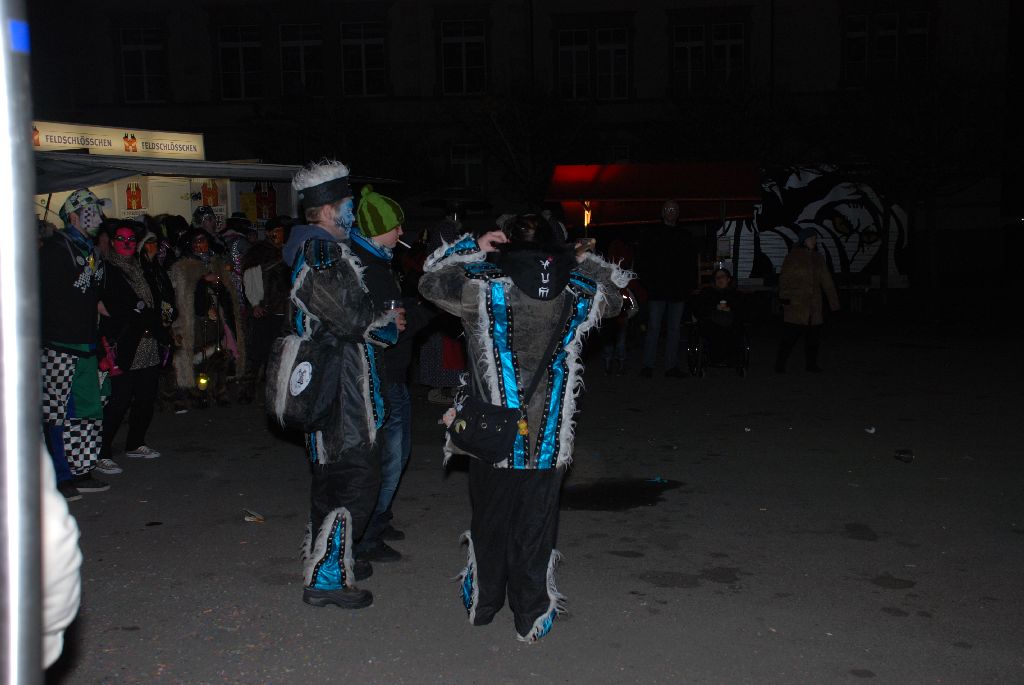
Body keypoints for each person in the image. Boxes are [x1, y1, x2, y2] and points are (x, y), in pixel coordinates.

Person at [419, 213, 630, 642]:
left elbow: (429, 281)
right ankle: (530, 616)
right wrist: (579, 259)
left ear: (508, 246)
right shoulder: (579, 290)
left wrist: (474, 245)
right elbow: (621, 294)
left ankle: (483, 603)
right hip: (545, 436)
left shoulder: (478, 286)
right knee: (534, 526)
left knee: (490, 521)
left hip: (490, 433)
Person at [278, 160, 403, 609]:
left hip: (335, 383)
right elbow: (354, 319)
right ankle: (327, 578)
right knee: (353, 480)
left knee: (333, 478)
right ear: (330, 210)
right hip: (341, 389)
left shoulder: (319, 248)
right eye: (348, 204)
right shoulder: (323, 255)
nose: (353, 211)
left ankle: (329, 558)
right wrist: (387, 323)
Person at [349, 186, 431, 563]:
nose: (402, 234)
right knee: (390, 458)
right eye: (395, 227)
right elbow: (391, 327)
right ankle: (366, 536)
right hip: (381, 377)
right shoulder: (367, 266)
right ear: (376, 228)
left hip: (391, 374)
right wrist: (430, 308)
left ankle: (378, 520)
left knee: (395, 455)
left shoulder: (377, 259)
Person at [40, 189, 111, 500]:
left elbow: (90, 297)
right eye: (91, 210)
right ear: (73, 215)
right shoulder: (55, 249)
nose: (97, 215)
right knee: (56, 413)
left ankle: (81, 470)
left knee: (86, 410)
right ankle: (59, 475)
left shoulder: (89, 249)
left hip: (85, 343)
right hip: (59, 344)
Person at [97, 219, 172, 468]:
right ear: (113, 242)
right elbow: (102, 305)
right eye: (122, 240)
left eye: (131, 240)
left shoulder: (141, 267)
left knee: (146, 397)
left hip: (148, 343)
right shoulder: (106, 269)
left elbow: (153, 300)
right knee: (119, 401)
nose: (127, 244)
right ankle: (102, 452)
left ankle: (135, 443)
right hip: (125, 344)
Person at [168, 229, 245, 409]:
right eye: (196, 242)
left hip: (218, 319)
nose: (200, 245)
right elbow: (183, 294)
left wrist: (219, 286)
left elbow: (228, 293)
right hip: (195, 320)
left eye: (203, 241)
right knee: (198, 357)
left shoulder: (217, 263)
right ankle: (197, 393)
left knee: (220, 355)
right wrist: (203, 282)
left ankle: (219, 389)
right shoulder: (183, 267)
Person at [637, 200, 698, 378]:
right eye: (667, 210)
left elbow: (690, 263)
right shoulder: (652, 234)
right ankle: (648, 365)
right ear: (663, 213)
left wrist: (689, 285)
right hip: (657, 290)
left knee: (674, 329)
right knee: (654, 327)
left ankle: (671, 367)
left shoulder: (685, 235)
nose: (671, 212)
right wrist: (647, 283)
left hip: (677, 291)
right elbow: (643, 261)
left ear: (678, 213)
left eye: (674, 210)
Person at [239, 216, 291, 404]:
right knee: (257, 353)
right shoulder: (261, 252)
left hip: (284, 311)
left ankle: (274, 393)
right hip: (266, 311)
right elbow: (250, 275)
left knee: (277, 354)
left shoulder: (287, 251)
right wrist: (255, 303)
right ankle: (247, 390)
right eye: (277, 231)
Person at [775, 227, 840, 373]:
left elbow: (827, 281)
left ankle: (811, 365)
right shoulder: (793, 257)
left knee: (813, 339)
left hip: (814, 306)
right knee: (789, 337)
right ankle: (780, 365)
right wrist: (785, 297)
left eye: (815, 238)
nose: (814, 241)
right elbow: (785, 278)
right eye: (811, 238)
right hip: (796, 305)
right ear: (804, 240)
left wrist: (834, 303)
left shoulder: (818, 258)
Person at [693, 267, 746, 368]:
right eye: (717, 278)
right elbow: (698, 310)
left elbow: (742, 311)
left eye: (722, 277)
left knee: (734, 328)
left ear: (728, 279)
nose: (719, 279)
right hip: (711, 321)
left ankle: (732, 357)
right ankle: (716, 357)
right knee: (713, 329)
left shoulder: (736, 294)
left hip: (730, 320)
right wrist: (714, 308)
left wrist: (730, 309)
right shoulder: (707, 293)